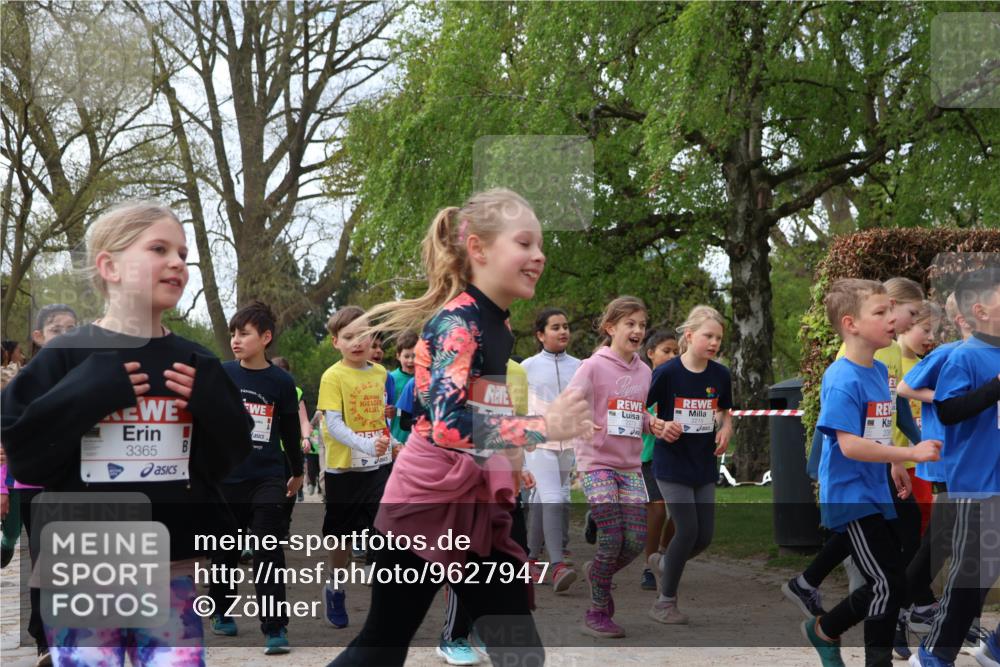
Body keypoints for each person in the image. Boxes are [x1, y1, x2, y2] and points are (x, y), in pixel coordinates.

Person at [326, 188, 591, 667]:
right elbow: (448, 426)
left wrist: (514, 457)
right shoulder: (458, 322)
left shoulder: (498, 325)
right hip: (426, 501)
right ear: (479, 249)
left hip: (473, 502)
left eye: (539, 245)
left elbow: (481, 415)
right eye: (525, 243)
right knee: (383, 644)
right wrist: (542, 426)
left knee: (520, 652)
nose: (539, 256)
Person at [1, 201, 253, 666]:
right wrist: (86, 394)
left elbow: (228, 459)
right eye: (159, 248)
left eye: (182, 252)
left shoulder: (196, 363)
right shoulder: (66, 356)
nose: (177, 262)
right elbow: (24, 454)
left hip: (170, 568)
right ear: (110, 266)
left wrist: (213, 406)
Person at [801, 278, 940, 667]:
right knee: (887, 583)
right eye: (880, 312)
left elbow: (877, 429)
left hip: (876, 489)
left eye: (890, 311)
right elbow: (848, 445)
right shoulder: (842, 378)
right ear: (851, 324)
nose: (891, 318)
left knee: (891, 581)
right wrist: (910, 451)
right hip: (849, 494)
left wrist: (896, 463)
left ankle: (825, 628)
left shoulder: (879, 371)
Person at [911, 268, 1000, 667]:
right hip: (978, 484)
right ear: (980, 310)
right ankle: (934, 653)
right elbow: (947, 411)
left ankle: (995, 647)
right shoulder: (963, 356)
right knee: (972, 578)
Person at [207, 302, 304, 654]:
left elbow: (291, 433)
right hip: (226, 479)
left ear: (265, 338)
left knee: (268, 550)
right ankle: (221, 610)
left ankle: (275, 627)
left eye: (244, 333)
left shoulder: (280, 382)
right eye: (233, 333)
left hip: (267, 476)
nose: (235, 339)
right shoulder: (222, 374)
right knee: (224, 552)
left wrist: (297, 471)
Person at [569, 296, 660, 638]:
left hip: (629, 465)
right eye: (630, 324)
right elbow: (571, 402)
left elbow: (638, 412)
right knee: (612, 536)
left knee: (636, 541)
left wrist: (654, 424)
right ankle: (596, 611)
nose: (638, 330)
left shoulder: (644, 371)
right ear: (611, 328)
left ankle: (598, 573)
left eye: (642, 325)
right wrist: (579, 421)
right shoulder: (593, 366)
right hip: (596, 461)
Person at [646, 305, 733, 625]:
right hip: (671, 461)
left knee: (705, 536)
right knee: (687, 528)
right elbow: (640, 409)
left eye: (719, 338)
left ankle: (667, 562)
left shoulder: (720, 374)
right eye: (708, 336)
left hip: (703, 462)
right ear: (689, 335)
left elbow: (725, 410)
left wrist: (725, 428)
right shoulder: (667, 373)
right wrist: (657, 424)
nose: (713, 343)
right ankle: (664, 602)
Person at [2, 304, 79, 665]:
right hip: (34, 486)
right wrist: (3, 485)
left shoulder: (88, 375)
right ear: (38, 336)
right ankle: (45, 640)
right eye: (56, 329)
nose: (64, 336)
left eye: (71, 329)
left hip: (82, 485)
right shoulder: (22, 382)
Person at [317, 306, 393, 629]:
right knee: (340, 541)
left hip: (378, 466)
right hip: (343, 470)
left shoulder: (381, 374)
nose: (357, 342)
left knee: (385, 530)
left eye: (363, 335)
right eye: (348, 337)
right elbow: (332, 424)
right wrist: (364, 444)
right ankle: (335, 586)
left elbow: (382, 416)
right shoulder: (332, 376)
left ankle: (385, 597)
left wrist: (389, 437)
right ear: (336, 342)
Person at [522, 307, 582, 592]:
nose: (563, 331)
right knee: (553, 498)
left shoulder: (580, 366)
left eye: (565, 326)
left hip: (567, 444)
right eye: (555, 327)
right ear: (540, 334)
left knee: (542, 500)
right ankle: (557, 565)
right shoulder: (528, 367)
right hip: (538, 444)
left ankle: (531, 559)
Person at [639, 329, 678, 590]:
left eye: (676, 351)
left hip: (677, 456)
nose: (673, 356)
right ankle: (648, 565)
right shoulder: (642, 382)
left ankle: (663, 554)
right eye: (667, 351)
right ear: (651, 353)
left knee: (681, 512)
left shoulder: (682, 383)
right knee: (657, 510)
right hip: (647, 458)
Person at [389, 330, 418, 445]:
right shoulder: (390, 378)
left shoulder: (425, 380)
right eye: (406, 356)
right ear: (398, 356)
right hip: (396, 437)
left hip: (418, 441)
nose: (410, 360)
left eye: (414, 356)